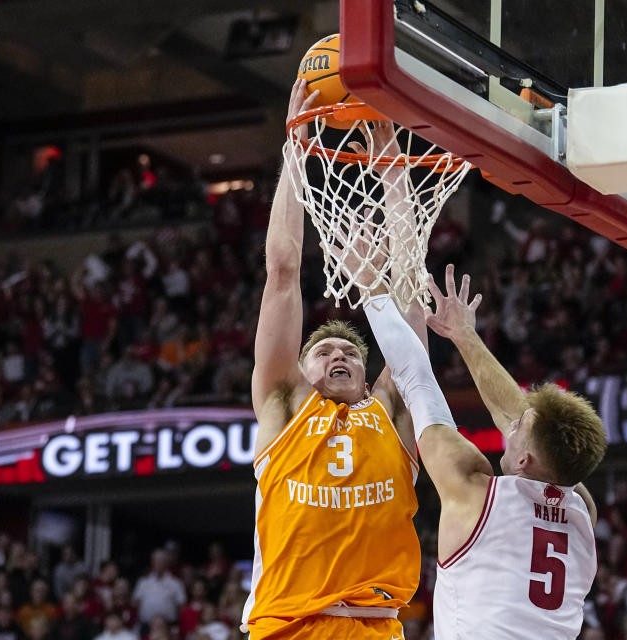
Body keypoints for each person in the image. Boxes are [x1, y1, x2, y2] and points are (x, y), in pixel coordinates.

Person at [241, 78, 424, 640]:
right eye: (323, 351)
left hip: (375, 626)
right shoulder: (283, 403)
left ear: (369, 374)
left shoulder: (390, 410)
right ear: (301, 370)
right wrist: (295, 152)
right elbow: (282, 272)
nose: (339, 355)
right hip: (288, 626)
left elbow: (409, 289)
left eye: (350, 352)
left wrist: (394, 176)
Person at [361, 264, 607, 639]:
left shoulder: (475, 491)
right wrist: (464, 336)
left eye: (515, 429)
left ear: (524, 460)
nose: (509, 423)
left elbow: (414, 376)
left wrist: (371, 286)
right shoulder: (580, 509)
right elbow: (517, 414)